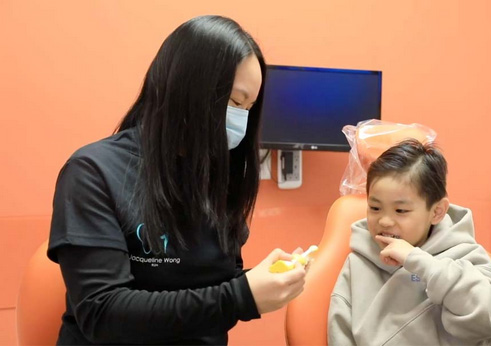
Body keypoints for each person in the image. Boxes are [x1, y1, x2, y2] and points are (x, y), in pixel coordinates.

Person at [47, 15, 306, 345]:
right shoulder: (93, 172)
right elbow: (103, 313)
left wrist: (259, 281)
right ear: (187, 88)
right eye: (234, 102)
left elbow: (211, 283)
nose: (241, 118)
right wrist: (242, 296)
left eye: (249, 107)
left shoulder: (215, 177)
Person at [327, 139, 491, 345]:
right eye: (375, 208)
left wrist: (421, 263)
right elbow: (340, 331)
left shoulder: (463, 254)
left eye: (401, 211)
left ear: (437, 212)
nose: (384, 221)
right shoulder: (358, 264)